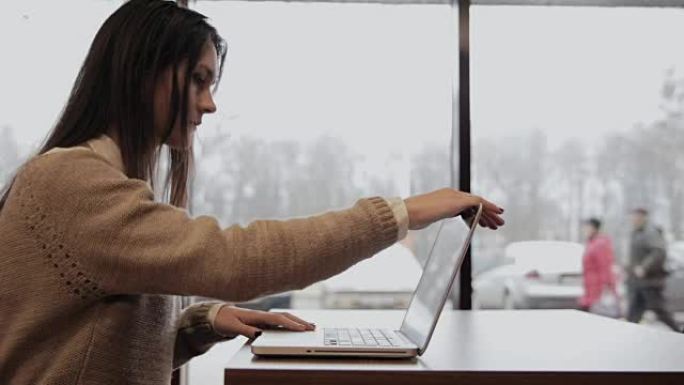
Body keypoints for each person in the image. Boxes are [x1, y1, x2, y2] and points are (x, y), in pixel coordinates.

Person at [0, 1, 505, 384]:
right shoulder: (71, 181)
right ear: (141, 74)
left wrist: (203, 322)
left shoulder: (101, 180)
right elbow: (235, 259)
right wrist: (401, 213)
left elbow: (89, 343)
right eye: (198, 81)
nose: (210, 103)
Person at [626, 208, 680, 331]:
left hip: (650, 282)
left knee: (659, 309)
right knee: (634, 312)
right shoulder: (636, 233)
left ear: (644, 218)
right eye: (633, 217)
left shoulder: (650, 233)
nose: (634, 219)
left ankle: (678, 331)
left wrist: (644, 267)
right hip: (639, 282)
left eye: (637, 217)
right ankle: (627, 334)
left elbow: (659, 251)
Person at [578, 218, 618, 316]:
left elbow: (605, 267)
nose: (585, 230)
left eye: (587, 227)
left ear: (594, 228)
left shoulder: (600, 244)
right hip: (590, 287)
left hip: (597, 289)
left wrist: (608, 287)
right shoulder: (591, 243)